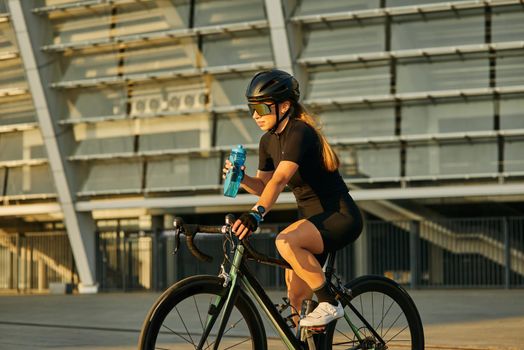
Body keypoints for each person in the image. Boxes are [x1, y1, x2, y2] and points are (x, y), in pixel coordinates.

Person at [222, 69, 363, 328]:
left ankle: (329, 302)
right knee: (296, 298)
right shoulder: (267, 141)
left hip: (339, 216)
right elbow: (264, 185)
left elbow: (280, 179)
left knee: (284, 240)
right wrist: (241, 179)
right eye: (251, 109)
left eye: (262, 109)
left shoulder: (300, 132)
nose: (255, 116)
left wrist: (256, 214)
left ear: (285, 105)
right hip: (312, 222)